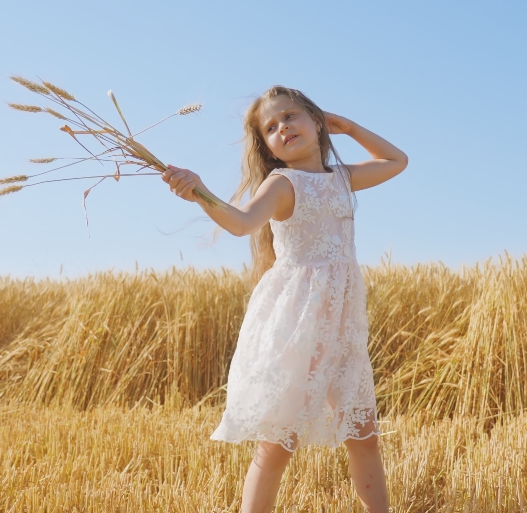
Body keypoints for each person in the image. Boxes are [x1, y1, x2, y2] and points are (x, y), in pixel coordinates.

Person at [161, 85, 408, 513]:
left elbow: (396, 161)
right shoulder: (282, 183)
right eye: (271, 128)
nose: (283, 128)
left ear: (317, 121)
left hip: (345, 325)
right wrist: (199, 191)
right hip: (299, 322)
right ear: (269, 148)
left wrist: (347, 127)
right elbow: (240, 223)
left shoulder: (343, 178)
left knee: (364, 433)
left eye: (291, 116)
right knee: (279, 442)